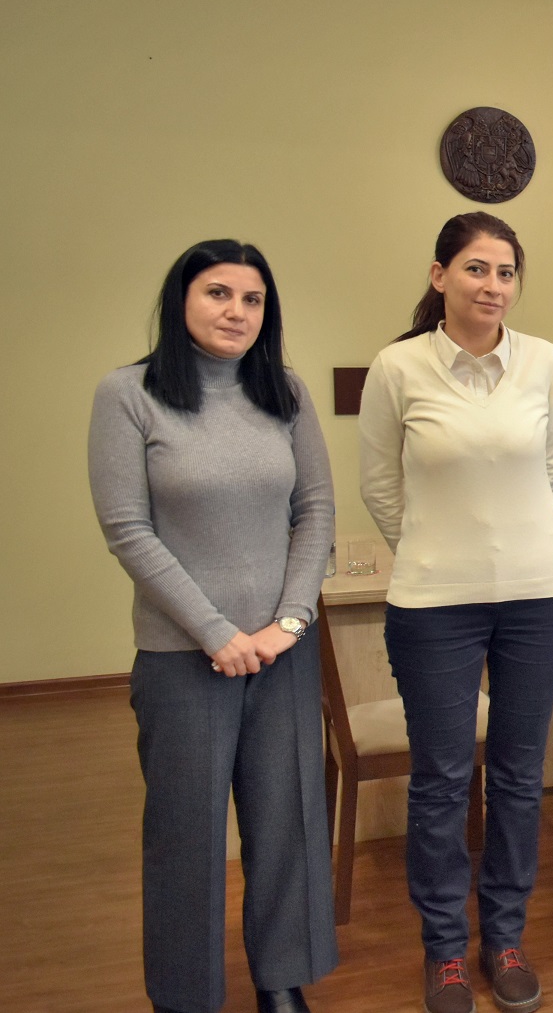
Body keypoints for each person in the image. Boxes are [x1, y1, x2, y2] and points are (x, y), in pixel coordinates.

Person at [88, 240, 337, 1013]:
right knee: (186, 836)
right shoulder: (128, 394)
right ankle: (185, 995)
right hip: (184, 657)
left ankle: (281, 979)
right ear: (181, 300)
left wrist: (290, 618)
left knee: (288, 823)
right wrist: (215, 631)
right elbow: (128, 529)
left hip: (283, 652)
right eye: (218, 293)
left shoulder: (285, 392)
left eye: (252, 299)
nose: (236, 311)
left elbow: (315, 510)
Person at [358, 212, 553, 1013]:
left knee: (519, 776)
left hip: (539, 596)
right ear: (440, 274)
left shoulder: (543, 361)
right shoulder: (398, 366)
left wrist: (506, 545)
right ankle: (446, 949)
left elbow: (548, 469)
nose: (493, 285)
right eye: (477, 268)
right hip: (433, 605)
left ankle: (506, 936)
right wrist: (433, 547)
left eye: (506, 272)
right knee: (443, 780)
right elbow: (381, 485)